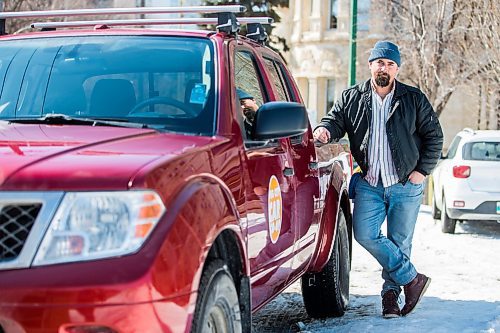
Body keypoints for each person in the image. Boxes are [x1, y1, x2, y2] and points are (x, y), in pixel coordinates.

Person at [313, 40, 443, 318]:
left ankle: (390, 298)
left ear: (397, 69)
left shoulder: (413, 98)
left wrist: (421, 172)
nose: (384, 68)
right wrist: (324, 130)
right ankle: (412, 278)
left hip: (405, 183)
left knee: (399, 242)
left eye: (390, 64)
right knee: (364, 233)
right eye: (380, 62)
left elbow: (435, 137)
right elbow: (335, 120)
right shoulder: (352, 97)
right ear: (371, 65)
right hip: (371, 182)